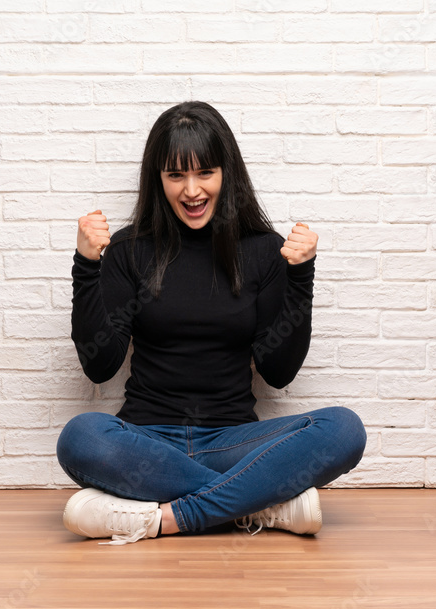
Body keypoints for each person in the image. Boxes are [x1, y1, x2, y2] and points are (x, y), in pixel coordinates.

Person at [56, 101, 366, 545]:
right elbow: (99, 366)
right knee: (80, 437)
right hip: (147, 443)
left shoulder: (263, 251)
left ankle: (166, 517)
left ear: (227, 173)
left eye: (205, 172)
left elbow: (279, 373)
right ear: (157, 179)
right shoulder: (128, 251)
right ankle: (259, 505)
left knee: (344, 429)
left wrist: (301, 275)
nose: (191, 189)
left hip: (233, 442)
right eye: (176, 175)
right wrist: (86, 265)